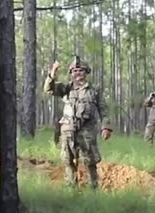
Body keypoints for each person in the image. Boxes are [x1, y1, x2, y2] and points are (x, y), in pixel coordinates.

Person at [44, 57, 112, 189]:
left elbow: (103, 109)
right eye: (74, 70)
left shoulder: (94, 90)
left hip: (87, 130)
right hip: (68, 129)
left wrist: (106, 127)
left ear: (86, 72)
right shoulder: (66, 88)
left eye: (80, 70)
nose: (77, 73)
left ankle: (93, 188)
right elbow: (49, 89)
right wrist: (52, 74)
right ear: (71, 73)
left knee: (89, 161)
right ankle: (71, 187)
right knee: (68, 160)